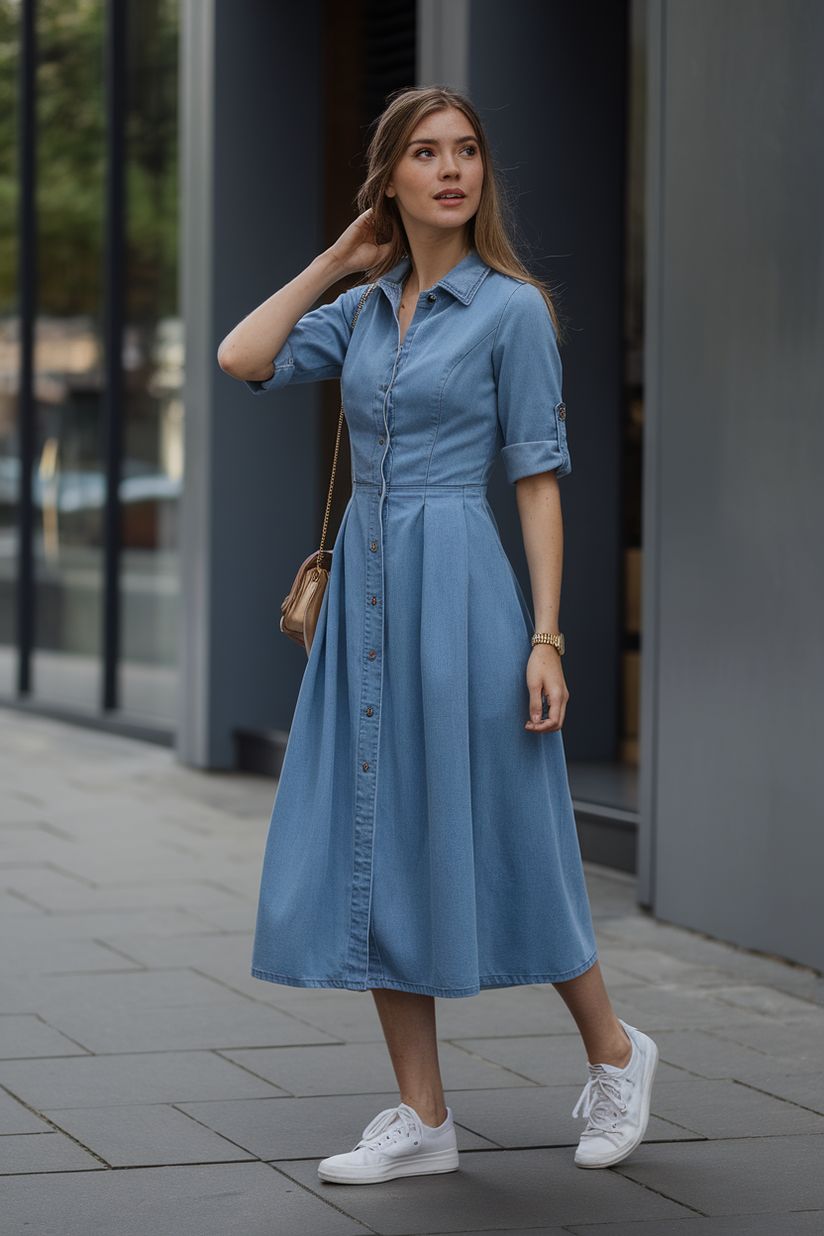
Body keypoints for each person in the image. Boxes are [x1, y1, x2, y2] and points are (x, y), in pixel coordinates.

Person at [218, 85, 657, 1186]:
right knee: (375, 830)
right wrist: (333, 261)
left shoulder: (511, 310)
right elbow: (241, 355)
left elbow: (539, 484)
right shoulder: (361, 314)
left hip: (461, 585)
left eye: (466, 151)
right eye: (424, 153)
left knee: (515, 825)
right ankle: (422, 1116)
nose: (451, 169)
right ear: (390, 181)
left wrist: (546, 636)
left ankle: (613, 1051)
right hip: (366, 589)